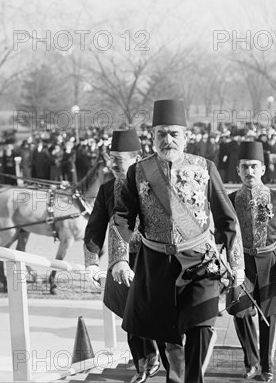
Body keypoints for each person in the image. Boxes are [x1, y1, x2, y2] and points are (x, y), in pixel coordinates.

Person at [113, 99, 245, 383]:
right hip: (155, 264)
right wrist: (120, 258)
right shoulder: (137, 171)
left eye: (174, 133)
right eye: (161, 133)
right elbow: (122, 217)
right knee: (167, 336)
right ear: (153, 136)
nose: (168, 139)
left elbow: (227, 219)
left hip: (200, 262)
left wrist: (237, 264)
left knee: (201, 325)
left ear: (186, 137)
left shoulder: (205, 167)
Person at [84, 130, 165, 383]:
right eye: (111, 159)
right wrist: (91, 263)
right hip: (123, 262)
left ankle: (162, 361)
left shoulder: (156, 184)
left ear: (137, 157)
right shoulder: (108, 189)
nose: (114, 164)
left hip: (153, 258)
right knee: (129, 315)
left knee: (155, 313)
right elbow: (95, 228)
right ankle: (142, 364)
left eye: (119, 159)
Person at [227, 141, 276, 382]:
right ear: (238, 170)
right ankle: (250, 362)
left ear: (263, 169)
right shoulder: (230, 199)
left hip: (270, 263)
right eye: (244, 167)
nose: (249, 172)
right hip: (241, 263)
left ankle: (267, 365)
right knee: (239, 312)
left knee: (268, 316)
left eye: (253, 166)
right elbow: (223, 234)